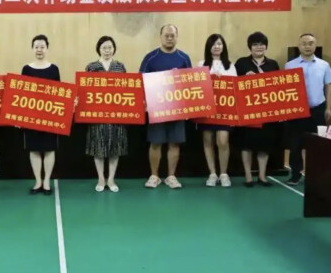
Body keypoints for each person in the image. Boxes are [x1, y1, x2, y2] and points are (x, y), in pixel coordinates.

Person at [139, 24, 192, 189]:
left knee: (174, 143)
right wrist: (145, 102)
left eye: (172, 35)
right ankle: (154, 176)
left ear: (177, 37)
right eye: (166, 35)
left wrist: (188, 107)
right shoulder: (151, 57)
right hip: (156, 107)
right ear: (161, 37)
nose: (169, 38)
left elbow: (190, 83)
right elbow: (141, 80)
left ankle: (171, 176)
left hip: (178, 107)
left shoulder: (184, 58)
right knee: (155, 142)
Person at [284, 33, 331, 185]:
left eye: (311, 43)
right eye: (304, 43)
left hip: (318, 109)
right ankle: (295, 174)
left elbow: (329, 86)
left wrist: (329, 108)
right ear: (299, 46)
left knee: (318, 144)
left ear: (315, 45)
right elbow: (285, 88)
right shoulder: (290, 65)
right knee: (295, 144)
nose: (307, 46)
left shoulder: (324, 65)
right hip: (296, 111)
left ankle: (317, 174)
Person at [234, 32, 280, 187]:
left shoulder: (273, 64)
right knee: (246, 144)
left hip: (266, 111)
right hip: (247, 111)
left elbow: (279, 86)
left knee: (264, 145)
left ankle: (262, 176)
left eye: (261, 44)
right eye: (255, 44)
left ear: (266, 46)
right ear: (250, 47)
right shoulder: (241, 63)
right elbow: (232, 85)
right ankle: (248, 176)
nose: (259, 47)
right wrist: (244, 79)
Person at [85, 36, 128, 192]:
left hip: (116, 115)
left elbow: (127, 90)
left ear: (114, 49)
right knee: (98, 147)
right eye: (104, 48)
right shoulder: (91, 67)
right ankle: (101, 179)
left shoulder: (120, 67)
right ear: (99, 49)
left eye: (110, 47)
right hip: (97, 115)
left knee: (115, 148)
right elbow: (86, 90)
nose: (107, 50)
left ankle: (111, 179)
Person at [22, 34, 60, 195]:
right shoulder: (26, 69)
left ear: (47, 48)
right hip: (31, 116)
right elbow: (21, 94)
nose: (39, 49)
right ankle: (38, 181)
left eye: (42, 47)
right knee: (34, 149)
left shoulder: (54, 69)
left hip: (50, 116)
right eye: (36, 47)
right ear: (32, 49)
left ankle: (47, 181)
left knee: (49, 149)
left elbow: (59, 93)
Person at [197, 34, 237, 187]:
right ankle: (212, 173)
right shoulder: (201, 64)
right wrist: (211, 77)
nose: (216, 46)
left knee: (223, 141)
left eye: (219, 43)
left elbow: (235, 87)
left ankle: (224, 173)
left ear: (223, 46)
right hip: (207, 110)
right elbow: (197, 85)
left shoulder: (230, 65)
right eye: (213, 44)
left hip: (225, 110)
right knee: (208, 141)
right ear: (209, 47)